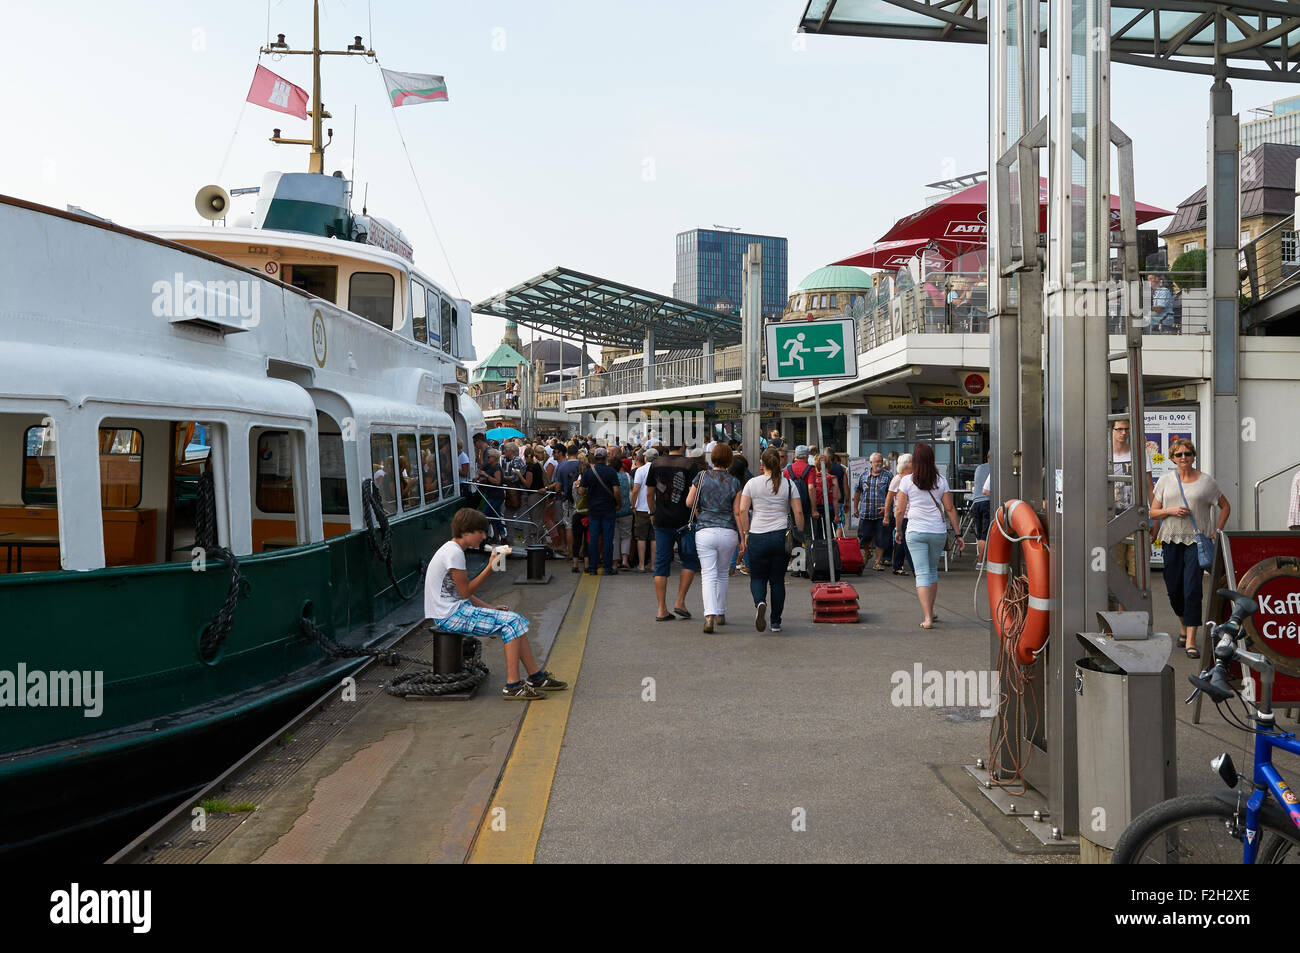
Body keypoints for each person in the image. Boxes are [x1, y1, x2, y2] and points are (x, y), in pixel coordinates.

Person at [425, 508, 567, 699]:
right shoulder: (454, 554)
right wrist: (490, 568)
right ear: (466, 531)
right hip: (449, 617)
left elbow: (460, 593)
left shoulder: (451, 549)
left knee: (516, 621)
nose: (483, 536)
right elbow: (466, 591)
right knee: (512, 622)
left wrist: (489, 608)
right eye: (480, 532)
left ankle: (536, 676)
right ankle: (513, 686)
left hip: (452, 611)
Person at [1150, 438, 1230, 658]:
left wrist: (1217, 530)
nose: (1183, 458)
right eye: (1179, 455)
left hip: (1197, 540)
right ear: (1173, 458)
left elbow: (1225, 506)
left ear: (1193, 456)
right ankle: (1184, 626)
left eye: (1187, 454)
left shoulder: (1206, 482)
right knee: (1174, 589)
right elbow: (1152, 512)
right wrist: (1171, 510)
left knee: (1192, 589)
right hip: (1170, 540)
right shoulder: (1166, 480)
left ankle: (1192, 640)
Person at [895, 443, 964, 628]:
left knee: (922, 573)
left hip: (915, 531)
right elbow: (949, 508)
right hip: (937, 531)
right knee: (932, 572)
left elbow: (900, 510)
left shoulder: (907, 481)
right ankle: (931, 612)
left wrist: (898, 529)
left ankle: (927, 617)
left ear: (914, 460)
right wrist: (958, 533)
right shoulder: (941, 480)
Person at [738, 449, 805, 634]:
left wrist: (745, 533)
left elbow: (743, 510)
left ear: (763, 464)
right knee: (777, 581)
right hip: (781, 537)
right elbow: (798, 512)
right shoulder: (789, 484)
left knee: (758, 577)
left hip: (757, 536)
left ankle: (760, 602)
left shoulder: (752, 483)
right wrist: (800, 534)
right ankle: (775, 622)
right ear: (779, 463)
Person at [685, 443, 743, 633]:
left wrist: (703, 510)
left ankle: (709, 616)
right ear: (729, 460)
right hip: (728, 532)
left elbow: (689, 502)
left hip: (705, 530)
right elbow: (737, 511)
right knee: (723, 573)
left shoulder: (701, 477)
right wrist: (743, 537)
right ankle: (721, 612)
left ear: (712, 458)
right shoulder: (735, 482)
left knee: (708, 575)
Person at [647, 444, 702, 621]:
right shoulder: (689, 465)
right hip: (684, 521)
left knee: (661, 562)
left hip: (662, 519)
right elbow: (696, 494)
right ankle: (680, 602)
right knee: (689, 560)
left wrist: (652, 512)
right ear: (683, 445)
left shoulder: (655, 464)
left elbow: (649, 493)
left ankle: (661, 609)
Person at [580, 446, 622, 575]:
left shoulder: (588, 472)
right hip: (608, 509)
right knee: (608, 539)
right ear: (605, 457)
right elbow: (616, 491)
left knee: (593, 539)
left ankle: (593, 568)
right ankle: (607, 568)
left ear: (595, 457)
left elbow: (581, 491)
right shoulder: (611, 472)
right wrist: (618, 504)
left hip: (593, 509)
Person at [853, 452, 892, 570]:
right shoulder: (863, 476)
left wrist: (887, 508)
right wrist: (855, 507)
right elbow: (857, 492)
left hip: (881, 514)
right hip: (866, 512)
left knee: (881, 539)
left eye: (880, 461)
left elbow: (893, 494)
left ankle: (877, 562)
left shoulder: (888, 476)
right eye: (876, 461)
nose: (879, 464)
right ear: (871, 463)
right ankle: (867, 552)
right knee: (863, 537)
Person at [885, 453, 914, 576]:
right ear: (907, 464)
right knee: (905, 542)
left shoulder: (912, 478)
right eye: (913, 461)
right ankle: (914, 568)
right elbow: (889, 497)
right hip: (902, 514)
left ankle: (897, 566)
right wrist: (886, 515)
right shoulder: (897, 479)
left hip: (911, 514)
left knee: (902, 542)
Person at [551, 444, 580, 562]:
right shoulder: (582, 465)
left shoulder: (562, 466)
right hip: (581, 500)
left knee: (568, 526)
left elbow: (558, 487)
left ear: (567, 453)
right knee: (581, 526)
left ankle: (571, 552)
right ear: (577, 453)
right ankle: (580, 552)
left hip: (566, 498)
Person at [632, 448, 657, 573]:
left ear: (645, 458)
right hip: (656, 508)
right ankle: (653, 565)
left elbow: (636, 489)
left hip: (641, 508)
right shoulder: (660, 470)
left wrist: (633, 505)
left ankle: (641, 565)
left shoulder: (640, 470)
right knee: (654, 538)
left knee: (641, 537)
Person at [806, 453, 840, 539]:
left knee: (816, 534)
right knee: (829, 534)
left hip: (815, 508)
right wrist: (836, 515)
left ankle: (817, 551)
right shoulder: (832, 478)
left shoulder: (811, 478)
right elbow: (836, 498)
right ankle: (829, 551)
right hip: (829, 508)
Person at [520, 445, 547, 545]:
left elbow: (528, 484)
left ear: (527, 456)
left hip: (534, 495)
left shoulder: (530, 468)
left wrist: (519, 475)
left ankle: (539, 541)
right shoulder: (538, 465)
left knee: (535, 519)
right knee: (538, 518)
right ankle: (541, 540)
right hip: (540, 495)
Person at [479, 448, 506, 542]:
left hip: (496, 496)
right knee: (495, 516)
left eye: (489, 457)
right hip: (492, 494)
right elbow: (492, 480)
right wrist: (483, 479)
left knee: (485, 515)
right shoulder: (491, 467)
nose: (487, 458)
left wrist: (486, 476)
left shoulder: (496, 468)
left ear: (494, 458)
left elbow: (498, 482)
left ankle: (485, 536)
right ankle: (502, 535)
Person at [613, 457, 634, 570]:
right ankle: (625, 560)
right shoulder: (627, 476)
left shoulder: (611, 477)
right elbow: (633, 490)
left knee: (615, 538)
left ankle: (615, 563)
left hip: (613, 510)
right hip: (626, 510)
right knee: (626, 536)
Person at [972, 452, 992, 570]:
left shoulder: (979, 468)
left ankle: (980, 562)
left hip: (976, 503)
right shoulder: (996, 468)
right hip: (987, 502)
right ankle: (981, 562)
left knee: (980, 535)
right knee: (986, 534)